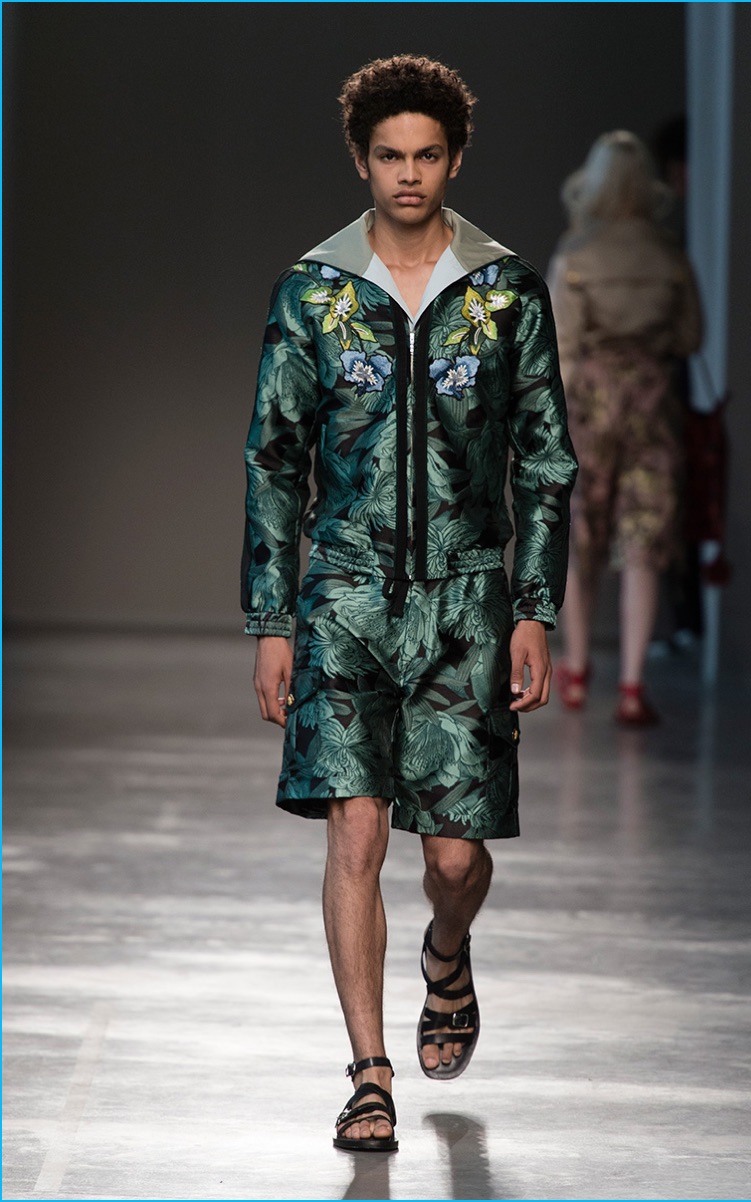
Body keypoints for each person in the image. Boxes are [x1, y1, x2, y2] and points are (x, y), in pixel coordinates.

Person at [241, 54, 577, 1152]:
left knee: (452, 858)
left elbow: (544, 461)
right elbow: (273, 459)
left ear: (455, 159)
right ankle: (368, 1074)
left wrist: (534, 607)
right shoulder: (312, 292)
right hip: (342, 597)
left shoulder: (506, 290)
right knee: (355, 831)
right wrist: (271, 621)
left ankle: (447, 950)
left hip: (467, 601)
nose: (408, 174)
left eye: (427, 154)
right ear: (361, 159)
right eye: (389, 155)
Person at [546, 130, 702, 726]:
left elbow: (560, 345)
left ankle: (577, 668)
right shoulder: (669, 256)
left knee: (581, 533)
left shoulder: (576, 253)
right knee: (644, 540)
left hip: (589, 403)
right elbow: (690, 336)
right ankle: (633, 684)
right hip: (653, 403)